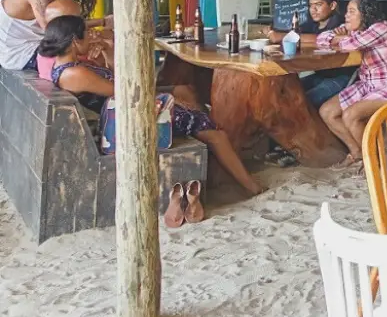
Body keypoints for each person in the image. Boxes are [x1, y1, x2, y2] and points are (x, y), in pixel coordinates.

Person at [40, 15, 263, 195]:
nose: (91, 37)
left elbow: (115, 81)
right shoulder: (75, 73)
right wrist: (110, 52)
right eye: (86, 34)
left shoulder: (70, 66)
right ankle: (251, 186)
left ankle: (210, 145)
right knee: (217, 135)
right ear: (74, 41)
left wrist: (107, 49)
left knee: (186, 90)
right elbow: (125, 90)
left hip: (128, 106)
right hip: (133, 115)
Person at [316, 0, 387, 167]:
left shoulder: (382, 28)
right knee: (327, 111)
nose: (346, 16)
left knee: (351, 116)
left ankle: (374, 161)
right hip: (369, 84)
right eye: (347, 12)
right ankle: (357, 152)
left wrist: (340, 39)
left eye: (352, 12)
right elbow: (321, 39)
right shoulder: (357, 31)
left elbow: (350, 45)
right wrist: (340, 37)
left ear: (365, 14)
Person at [268, 0, 354, 107]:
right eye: (310, 5)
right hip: (320, 75)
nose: (313, 10)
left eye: (318, 5)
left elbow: (319, 38)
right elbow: (298, 33)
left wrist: (282, 36)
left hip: (341, 77)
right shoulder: (312, 23)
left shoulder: (341, 25)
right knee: (286, 92)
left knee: (303, 102)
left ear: (332, 5)